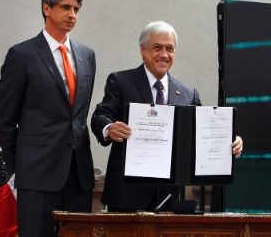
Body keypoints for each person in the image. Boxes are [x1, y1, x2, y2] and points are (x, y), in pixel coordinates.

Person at [91, 20, 243, 212]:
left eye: (170, 49)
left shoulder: (188, 93)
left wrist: (228, 142)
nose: (164, 54)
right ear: (143, 50)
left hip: (170, 197)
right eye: (157, 48)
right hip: (126, 194)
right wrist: (109, 128)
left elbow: (203, 133)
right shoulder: (121, 81)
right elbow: (100, 115)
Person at [0, 0, 96, 236]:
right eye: (65, 7)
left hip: (78, 174)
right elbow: (6, 119)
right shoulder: (22, 54)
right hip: (37, 173)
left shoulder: (87, 55)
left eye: (76, 9)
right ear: (47, 8)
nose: (72, 15)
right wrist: (18, 164)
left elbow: (77, 116)